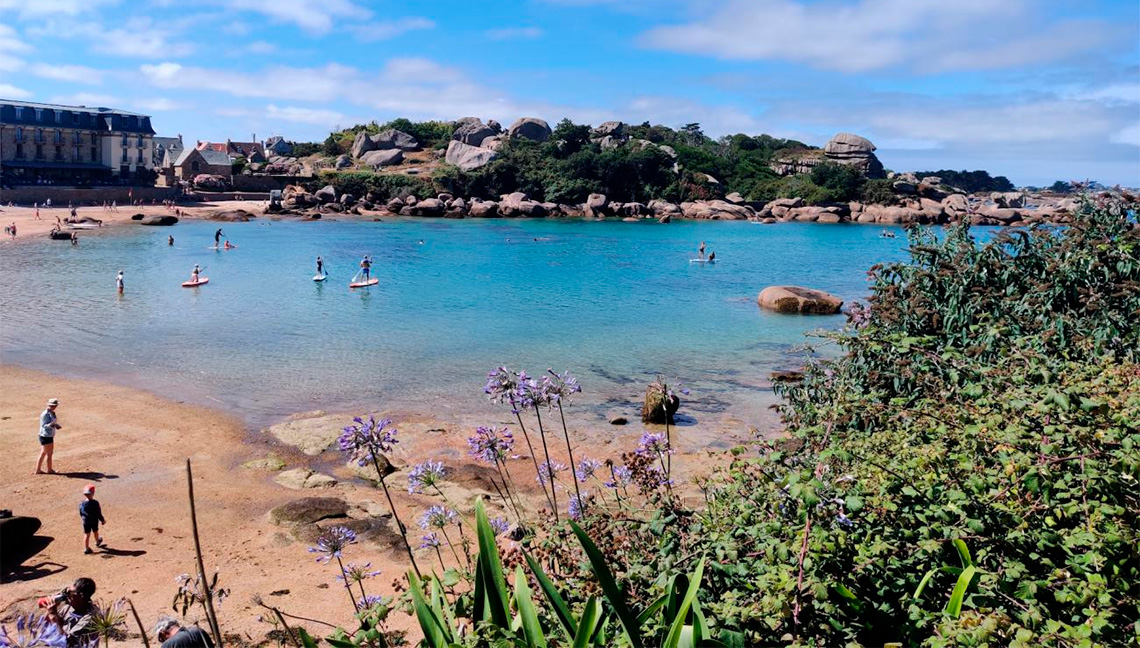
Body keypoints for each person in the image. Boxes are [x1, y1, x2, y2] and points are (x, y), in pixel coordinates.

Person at [41, 577, 98, 646]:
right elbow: (46, 624)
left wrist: (53, 614)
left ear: (81, 596)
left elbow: (66, 642)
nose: (67, 595)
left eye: (70, 593)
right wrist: (49, 610)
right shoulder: (69, 608)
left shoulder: (90, 618)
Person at [36, 398, 62, 474]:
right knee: (49, 454)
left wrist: (56, 425)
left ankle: (38, 470)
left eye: (55, 405)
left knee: (43, 453)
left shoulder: (51, 412)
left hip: (46, 435)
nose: (54, 407)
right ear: (49, 405)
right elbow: (44, 425)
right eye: (53, 405)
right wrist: (52, 425)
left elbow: (51, 422)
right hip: (46, 436)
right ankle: (50, 470)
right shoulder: (45, 414)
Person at [80, 484, 107, 554]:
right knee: (95, 531)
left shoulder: (82, 503)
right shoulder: (95, 503)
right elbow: (98, 513)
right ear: (93, 493)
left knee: (87, 534)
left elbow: (81, 512)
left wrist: (83, 518)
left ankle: (86, 548)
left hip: (85, 521)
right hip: (94, 521)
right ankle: (97, 541)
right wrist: (102, 520)